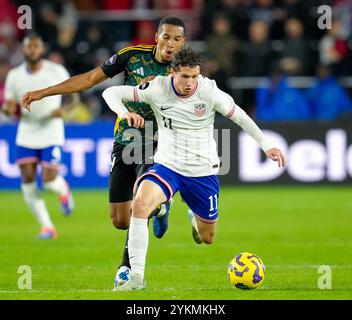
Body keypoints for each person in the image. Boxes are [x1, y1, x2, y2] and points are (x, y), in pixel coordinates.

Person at [102, 46, 286, 291]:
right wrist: (123, 112)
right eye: (185, 77)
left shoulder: (209, 91)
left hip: (202, 172)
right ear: (173, 73)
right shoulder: (158, 88)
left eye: (194, 76)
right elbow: (112, 92)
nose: (190, 83)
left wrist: (266, 145)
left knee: (207, 237)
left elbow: (240, 116)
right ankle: (136, 277)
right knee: (139, 204)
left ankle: (193, 220)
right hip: (167, 166)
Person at [21, 17, 186, 287]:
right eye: (166, 37)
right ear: (157, 36)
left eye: (177, 39)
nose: (170, 44)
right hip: (125, 140)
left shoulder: (184, 70)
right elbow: (88, 80)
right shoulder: (131, 56)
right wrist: (45, 92)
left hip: (159, 141)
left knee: (140, 198)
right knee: (120, 220)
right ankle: (161, 208)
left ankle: (127, 269)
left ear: (183, 42)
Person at [2, 34, 77, 239]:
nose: (33, 50)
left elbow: (74, 98)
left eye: (36, 47)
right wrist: (8, 110)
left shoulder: (56, 70)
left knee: (48, 180)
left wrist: (65, 111)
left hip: (51, 130)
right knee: (27, 180)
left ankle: (63, 190)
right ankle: (47, 227)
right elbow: (9, 104)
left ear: (41, 50)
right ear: (24, 50)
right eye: (29, 47)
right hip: (26, 131)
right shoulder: (14, 75)